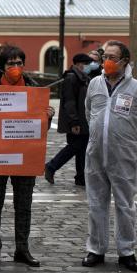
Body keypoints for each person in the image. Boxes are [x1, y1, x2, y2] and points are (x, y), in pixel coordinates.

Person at [0, 46, 55, 268]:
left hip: (25, 155)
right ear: (2, 66)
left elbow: (41, 129)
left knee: (24, 204)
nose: (16, 68)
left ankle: (22, 248)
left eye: (19, 63)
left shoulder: (33, 88)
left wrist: (48, 117)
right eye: (11, 64)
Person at [82, 41, 137, 272]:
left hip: (123, 155)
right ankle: (96, 249)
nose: (108, 62)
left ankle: (127, 252)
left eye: (113, 57)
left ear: (125, 62)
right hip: (95, 153)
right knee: (96, 202)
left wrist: (122, 136)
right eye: (105, 57)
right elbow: (88, 112)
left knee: (125, 204)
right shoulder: (94, 84)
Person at [44, 53, 94, 187]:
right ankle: (51, 166)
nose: (89, 67)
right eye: (87, 64)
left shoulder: (83, 78)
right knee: (74, 147)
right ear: (79, 64)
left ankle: (80, 177)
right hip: (76, 120)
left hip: (83, 120)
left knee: (81, 148)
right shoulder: (71, 78)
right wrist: (74, 122)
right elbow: (69, 101)